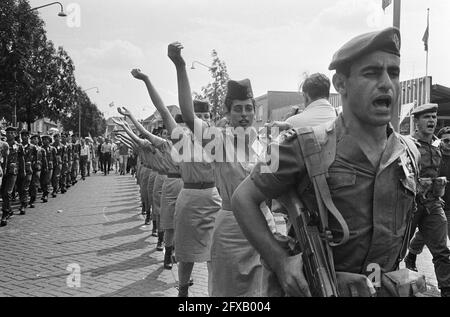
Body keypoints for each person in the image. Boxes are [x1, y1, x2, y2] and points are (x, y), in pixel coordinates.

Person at [231, 27, 431, 297]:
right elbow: (243, 198)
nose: (386, 83)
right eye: (371, 73)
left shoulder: (409, 152)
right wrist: (280, 261)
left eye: (393, 73)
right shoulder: (300, 145)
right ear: (341, 84)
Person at [169, 42, 274, 297]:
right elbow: (188, 113)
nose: (245, 114)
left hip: (265, 229)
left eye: (249, 108)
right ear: (227, 112)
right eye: (237, 108)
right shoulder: (219, 142)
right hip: (231, 230)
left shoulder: (265, 143)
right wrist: (180, 66)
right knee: (228, 291)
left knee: (262, 293)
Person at [401, 104, 450, 296]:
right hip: (409, 205)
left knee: (442, 250)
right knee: (394, 249)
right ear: (416, 121)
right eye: (426, 117)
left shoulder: (437, 149)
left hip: (432, 204)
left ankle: (446, 288)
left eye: (434, 117)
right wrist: (415, 182)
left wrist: (438, 187)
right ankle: (388, 284)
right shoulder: (407, 145)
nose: (432, 120)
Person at [267, 73, 337, 131]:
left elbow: (274, 147)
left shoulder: (291, 123)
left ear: (306, 96)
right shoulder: (341, 118)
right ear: (328, 94)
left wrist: (285, 122)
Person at [1, 127, 25, 226]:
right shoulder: (2, 145)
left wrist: (23, 171)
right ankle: (9, 209)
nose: (10, 134)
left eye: (12, 133)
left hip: (13, 172)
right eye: (8, 133)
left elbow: (21, 159)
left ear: (15, 134)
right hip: (3, 171)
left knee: (7, 192)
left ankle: (5, 213)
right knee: (3, 192)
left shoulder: (19, 146)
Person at [17, 129, 34, 215]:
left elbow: (36, 158)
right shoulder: (18, 146)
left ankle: (23, 205)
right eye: (22, 136)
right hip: (19, 170)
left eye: (26, 135)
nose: (24, 137)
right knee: (19, 188)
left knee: (25, 188)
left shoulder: (32, 147)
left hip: (28, 170)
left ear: (28, 136)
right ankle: (22, 202)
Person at [29, 133, 47, 208]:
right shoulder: (29, 148)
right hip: (29, 168)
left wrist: (46, 167)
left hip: (38, 168)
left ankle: (32, 200)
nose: (34, 140)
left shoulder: (41, 149)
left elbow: (44, 159)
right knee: (28, 184)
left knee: (35, 184)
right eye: (33, 139)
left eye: (36, 139)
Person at [40, 134, 56, 203]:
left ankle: (45, 194)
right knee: (42, 181)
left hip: (50, 166)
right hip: (41, 166)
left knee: (47, 181)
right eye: (43, 140)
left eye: (46, 139)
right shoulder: (40, 148)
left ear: (49, 141)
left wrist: (55, 166)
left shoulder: (52, 149)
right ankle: (44, 192)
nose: (45, 141)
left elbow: (54, 158)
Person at [51, 133, 64, 197]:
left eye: (58, 137)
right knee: (52, 177)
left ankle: (55, 190)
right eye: (55, 137)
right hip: (52, 162)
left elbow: (63, 155)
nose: (57, 138)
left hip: (59, 162)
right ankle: (57, 187)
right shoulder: (52, 146)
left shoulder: (62, 146)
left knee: (57, 176)